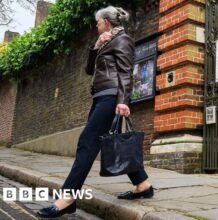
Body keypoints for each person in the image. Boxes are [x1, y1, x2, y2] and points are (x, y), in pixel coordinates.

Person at [37, 6, 153, 218]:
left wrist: (123, 101)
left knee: (87, 143)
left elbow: (127, 72)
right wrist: (96, 46)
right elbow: (90, 70)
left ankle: (68, 197)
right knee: (115, 142)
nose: (96, 25)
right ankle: (143, 184)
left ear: (107, 22)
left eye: (98, 22)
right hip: (101, 97)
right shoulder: (106, 42)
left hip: (110, 98)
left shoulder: (123, 40)